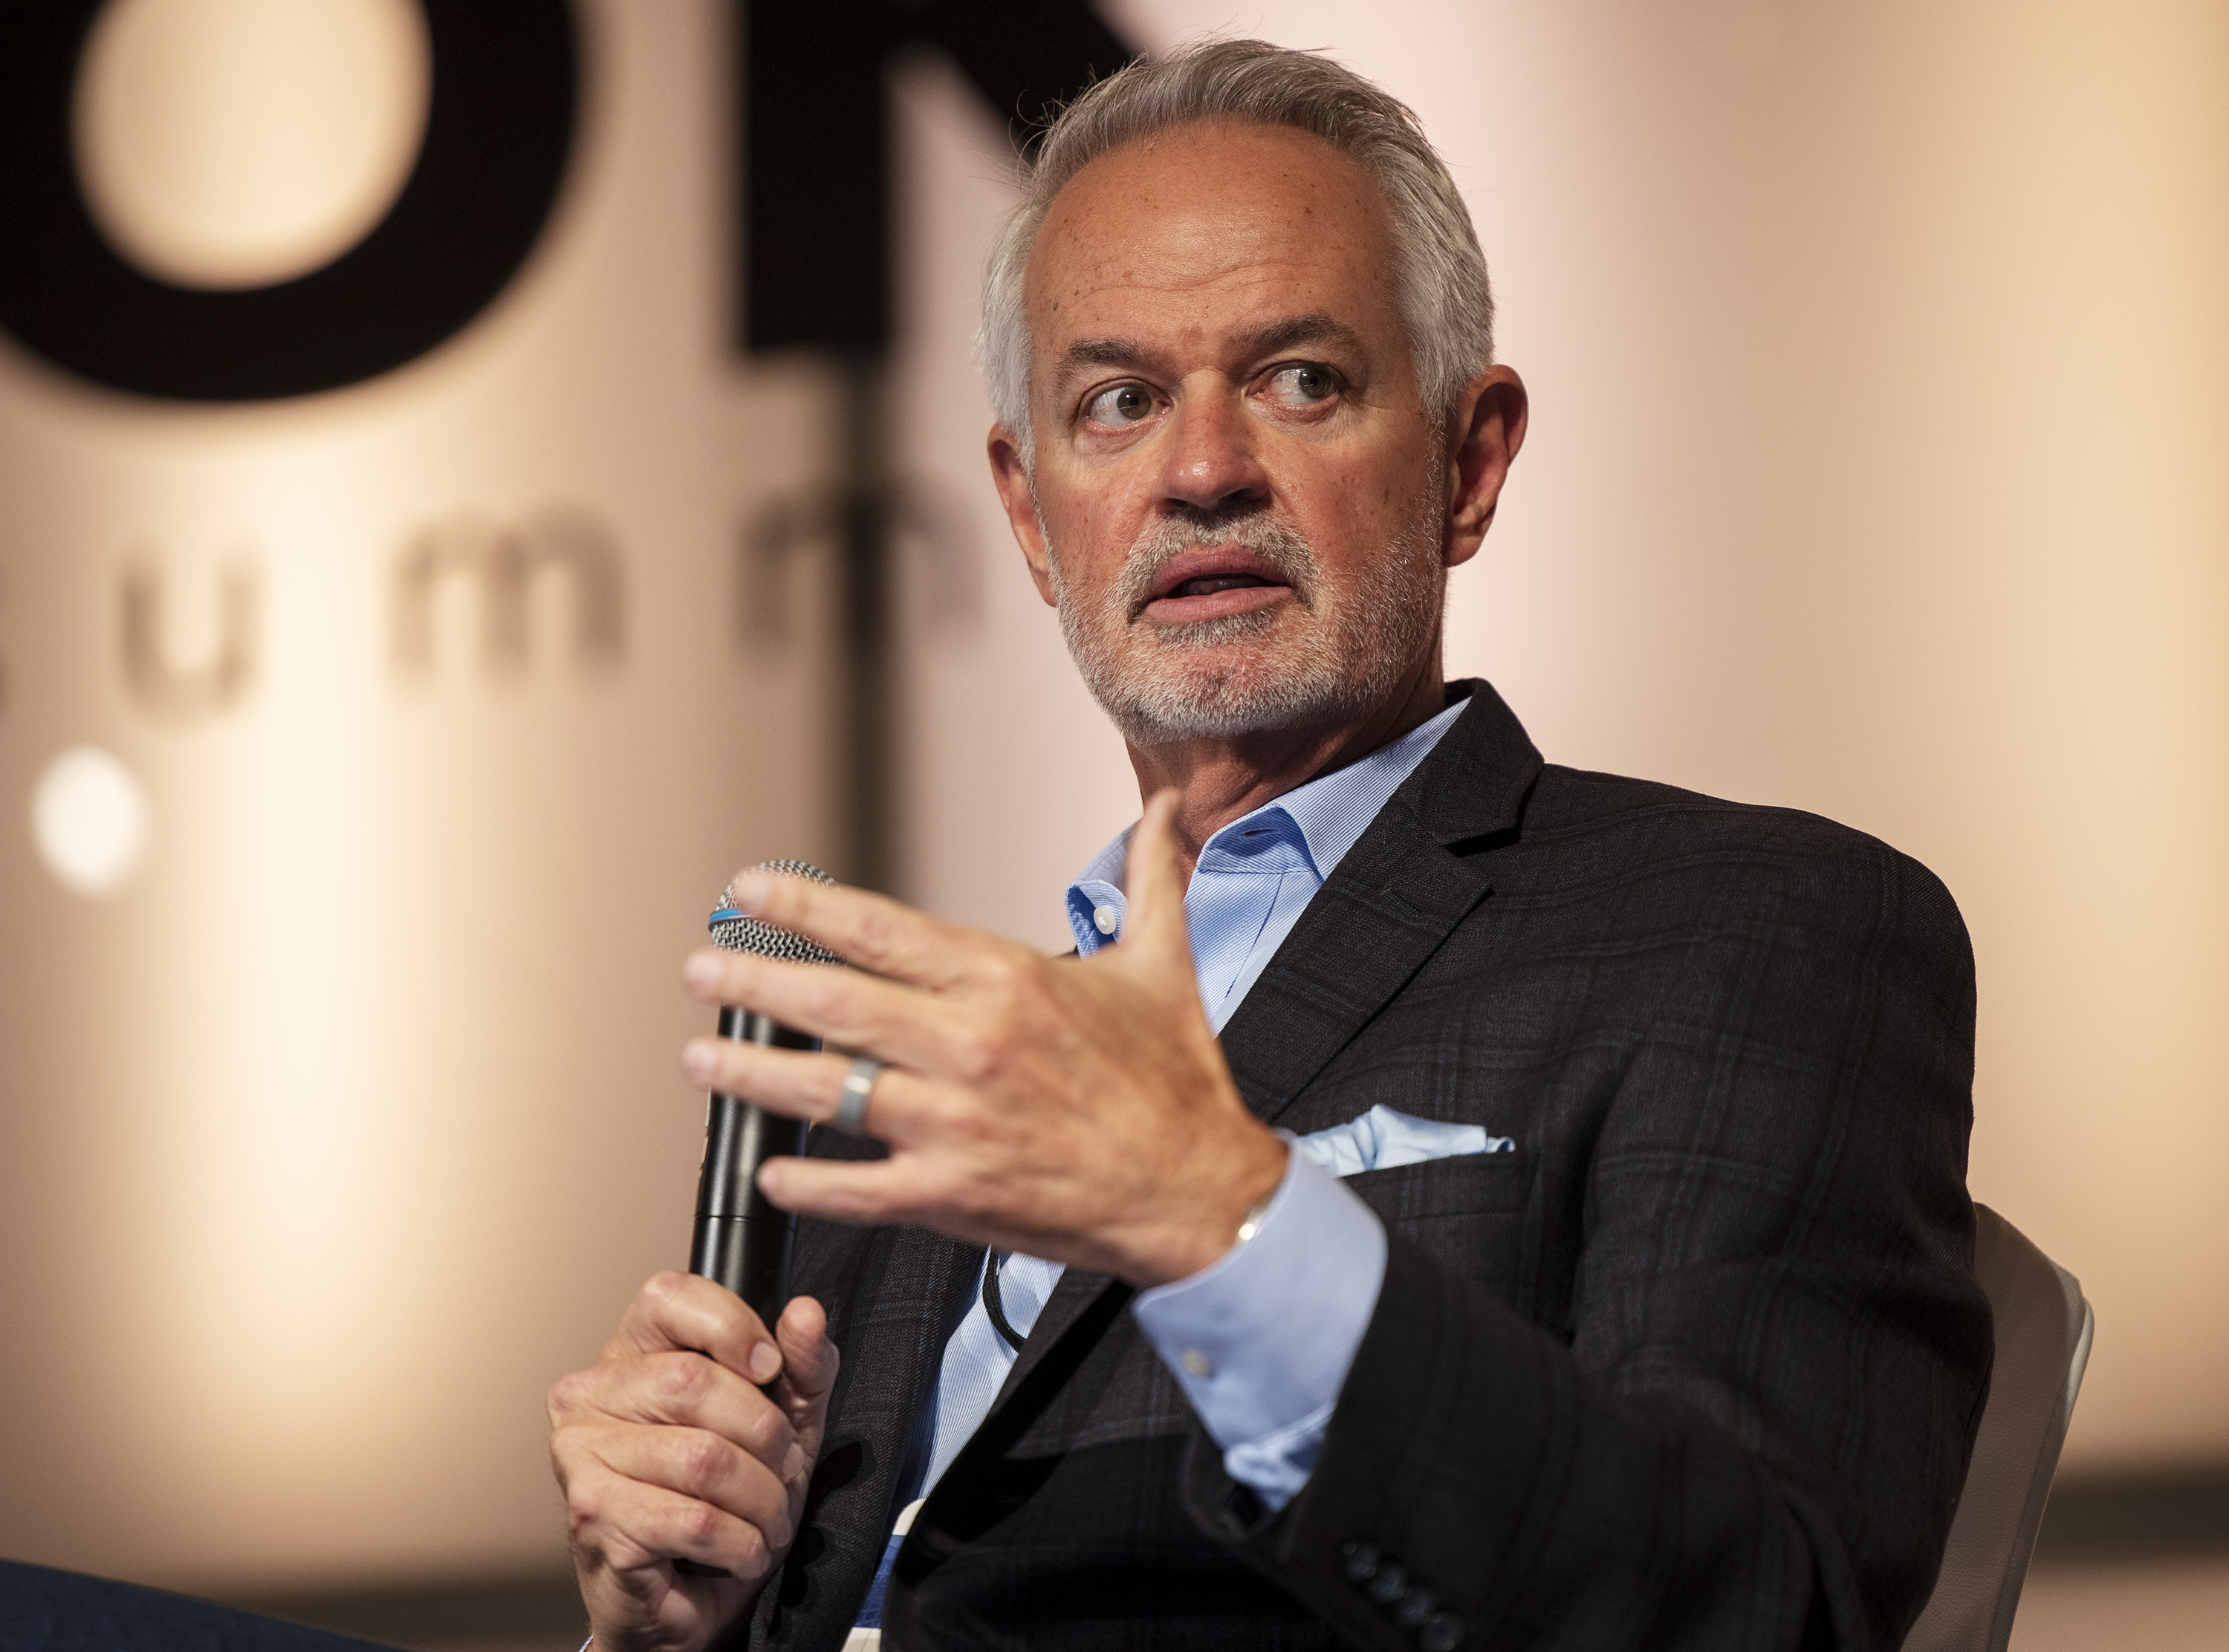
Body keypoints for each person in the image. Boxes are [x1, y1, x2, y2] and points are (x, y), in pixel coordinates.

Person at [547, 39, 1992, 1652]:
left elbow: (1755, 1608)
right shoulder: (927, 1117)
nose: (1204, 468)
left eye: (1302, 378)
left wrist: (1228, 1219)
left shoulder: (1753, 931)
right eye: (1120, 402)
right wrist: (661, 1615)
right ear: (1031, 515)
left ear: (1471, 456)